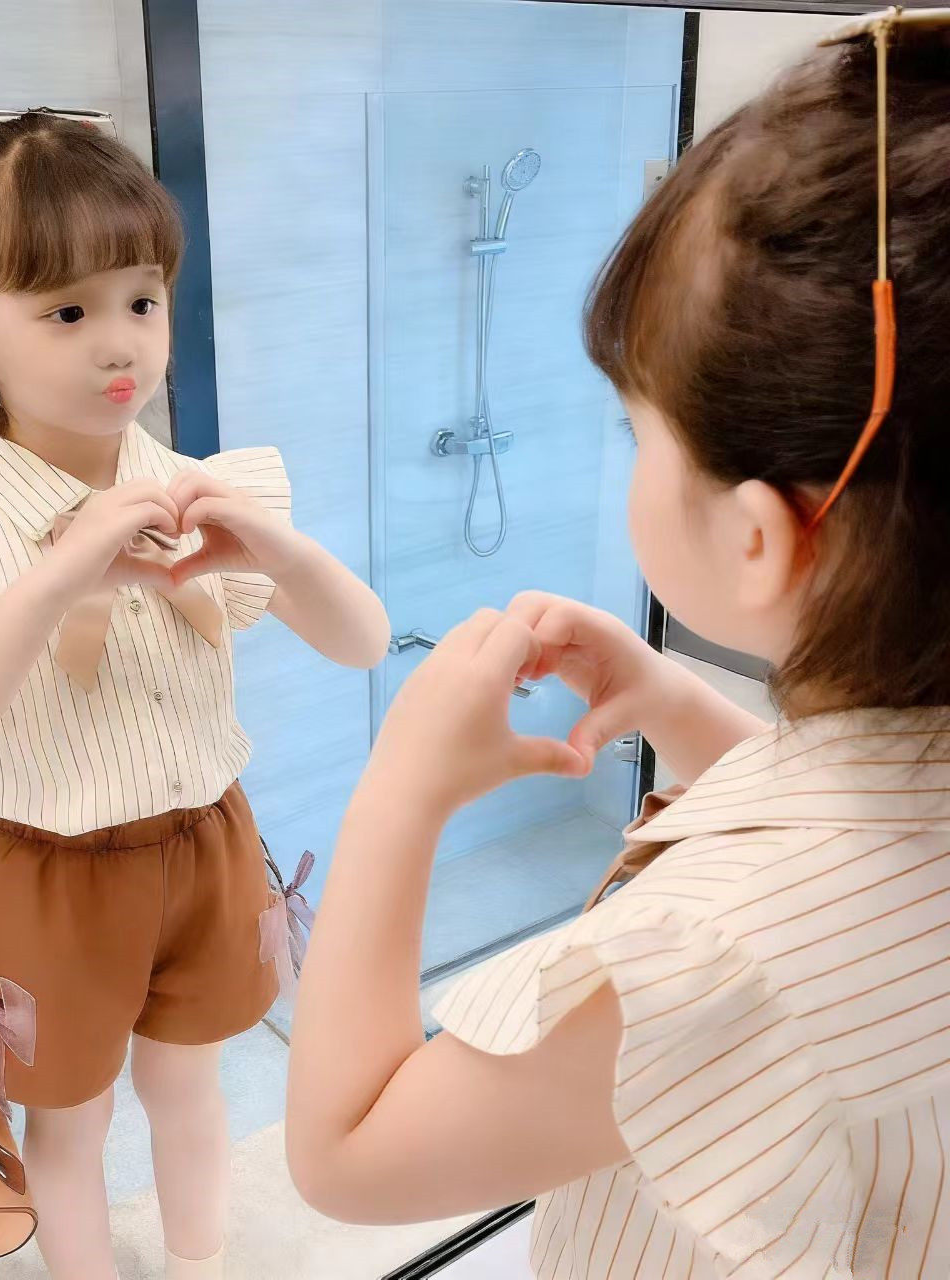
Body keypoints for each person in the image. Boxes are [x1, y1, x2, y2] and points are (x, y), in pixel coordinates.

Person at [287, 15, 950, 1277]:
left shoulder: (705, 961)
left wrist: (398, 791)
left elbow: (345, 1150)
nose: (628, 461)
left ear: (758, 539)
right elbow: (860, 823)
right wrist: (664, 697)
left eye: (636, 433)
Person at [0, 109, 389, 1280]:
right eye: (67, 312)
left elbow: (363, 640)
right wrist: (57, 574)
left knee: (190, 1089)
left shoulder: (196, 487)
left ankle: (200, 1264)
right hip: (47, 870)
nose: (119, 342)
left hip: (208, 842)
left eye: (141, 298)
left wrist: (278, 551)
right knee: (68, 1123)